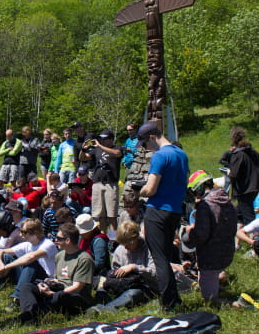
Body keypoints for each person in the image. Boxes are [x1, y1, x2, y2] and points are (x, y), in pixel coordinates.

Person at [137, 121, 189, 311]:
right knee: (165, 257)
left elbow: (150, 189)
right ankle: (174, 297)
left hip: (157, 210)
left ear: (152, 137)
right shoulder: (181, 154)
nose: (145, 149)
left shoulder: (160, 156)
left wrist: (139, 191)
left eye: (144, 144)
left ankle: (169, 304)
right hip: (174, 210)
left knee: (159, 260)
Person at [14, 222, 94, 324]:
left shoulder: (84, 259)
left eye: (59, 238)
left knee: (60, 296)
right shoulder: (59, 255)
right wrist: (47, 283)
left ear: (68, 240)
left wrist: (52, 294)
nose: (55, 241)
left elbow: (77, 288)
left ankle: (27, 316)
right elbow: (58, 279)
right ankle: (31, 318)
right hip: (58, 289)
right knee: (27, 287)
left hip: (76, 298)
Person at [180, 170, 237, 305]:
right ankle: (217, 290)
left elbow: (201, 235)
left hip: (210, 255)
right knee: (210, 283)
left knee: (209, 299)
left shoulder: (205, 206)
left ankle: (235, 305)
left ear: (199, 188)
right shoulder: (226, 200)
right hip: (227, 250)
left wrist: (189, 232)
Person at [0, 218, 57, 311]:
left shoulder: (48, 244)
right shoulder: (27, 244)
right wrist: (0, 264)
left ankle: (17, 299)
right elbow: (0, 252)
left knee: (32, 263)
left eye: (23, 232)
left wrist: (7, 267)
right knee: (6, 257)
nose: (20, 234)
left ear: (33, 233)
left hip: (45, 279)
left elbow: (31, 257)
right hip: (30, 277)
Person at [88, 220, 158, 314]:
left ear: (136, 238)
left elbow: (155, 273)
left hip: (145, 285)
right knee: (102, 290)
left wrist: (134, 267)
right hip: (123, 283)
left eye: (128, 244)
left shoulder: (149, 247)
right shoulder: (120, 250)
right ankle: (93, 306)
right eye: (123, 244)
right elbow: (115, 269)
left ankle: (103, 310)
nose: (125, 247)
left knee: (132, 294)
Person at [79, 129, 123, 240]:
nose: (102, 141)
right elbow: (83, 158)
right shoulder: (96, 150)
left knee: (112, 215)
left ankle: (113, 240)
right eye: (101, 139)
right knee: (100, 216)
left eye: (105, 139)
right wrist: (83, 149)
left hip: (110, 184)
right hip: (98, 184)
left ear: (111, 139)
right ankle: (103, 238)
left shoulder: (117, 148)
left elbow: (117, 154)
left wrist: (99, 145)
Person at [227, 127, 259, 228]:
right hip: (257, 185)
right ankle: (238, 240)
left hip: (244, 189)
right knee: (238, 214)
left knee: (248, 217)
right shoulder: (254, 153)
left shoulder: (238, 155)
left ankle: (255, 240)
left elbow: (233, 174)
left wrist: (229, 172)